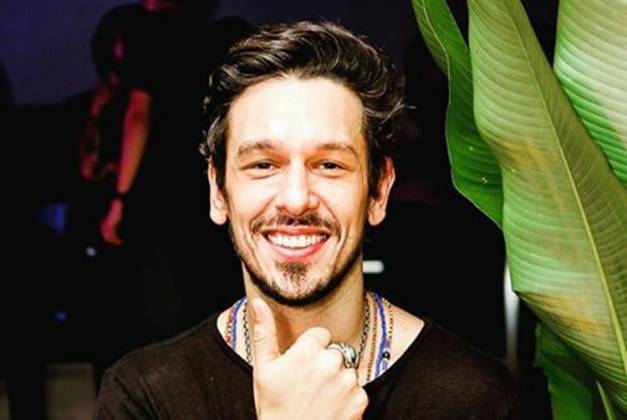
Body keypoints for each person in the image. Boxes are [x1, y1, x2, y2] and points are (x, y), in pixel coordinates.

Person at [94, 21, 519, 419]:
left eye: (329, 165)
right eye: (263, 165)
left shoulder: (476, 400)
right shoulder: (145, 398)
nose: (296, 199)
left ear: (378, 191)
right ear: (218, 191)